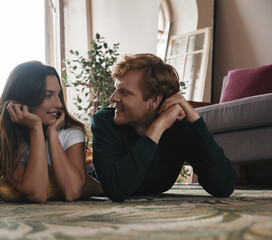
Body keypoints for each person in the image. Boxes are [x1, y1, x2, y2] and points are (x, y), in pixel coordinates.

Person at [91, 53, 236, 202]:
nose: (113, 97)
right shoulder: (105, 122)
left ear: (154, 100)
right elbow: (116, 190)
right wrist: (158, 127)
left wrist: (195, 119)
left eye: (125, 92)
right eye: (116, 89)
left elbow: (223, 187)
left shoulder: (180, 129)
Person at [0, 61, 88, 203]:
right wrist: (36, 128)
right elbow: (37, 193)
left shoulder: (71, 132)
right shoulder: (7, 138)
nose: (59, 104)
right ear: (24, 99)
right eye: (48, 95)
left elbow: (72, 192)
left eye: (58, 95)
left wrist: (52, 133)